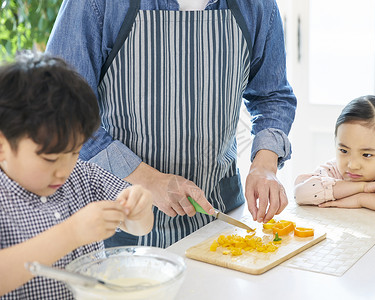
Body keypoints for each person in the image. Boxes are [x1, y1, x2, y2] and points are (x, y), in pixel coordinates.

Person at [46, 0, 297, 248]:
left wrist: (264, 164)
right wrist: (149, 180)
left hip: (218, 221)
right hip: (121, 222)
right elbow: (63, 111)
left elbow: (272, 95)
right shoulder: (97, 4)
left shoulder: (257, 6)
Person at [0, 51, 154, 299]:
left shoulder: (83, 176)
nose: (64, 170)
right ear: (2, 146)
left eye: (73, 152)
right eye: (50, 158)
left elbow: (140, 227)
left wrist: (139, 208)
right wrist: (71, 233)